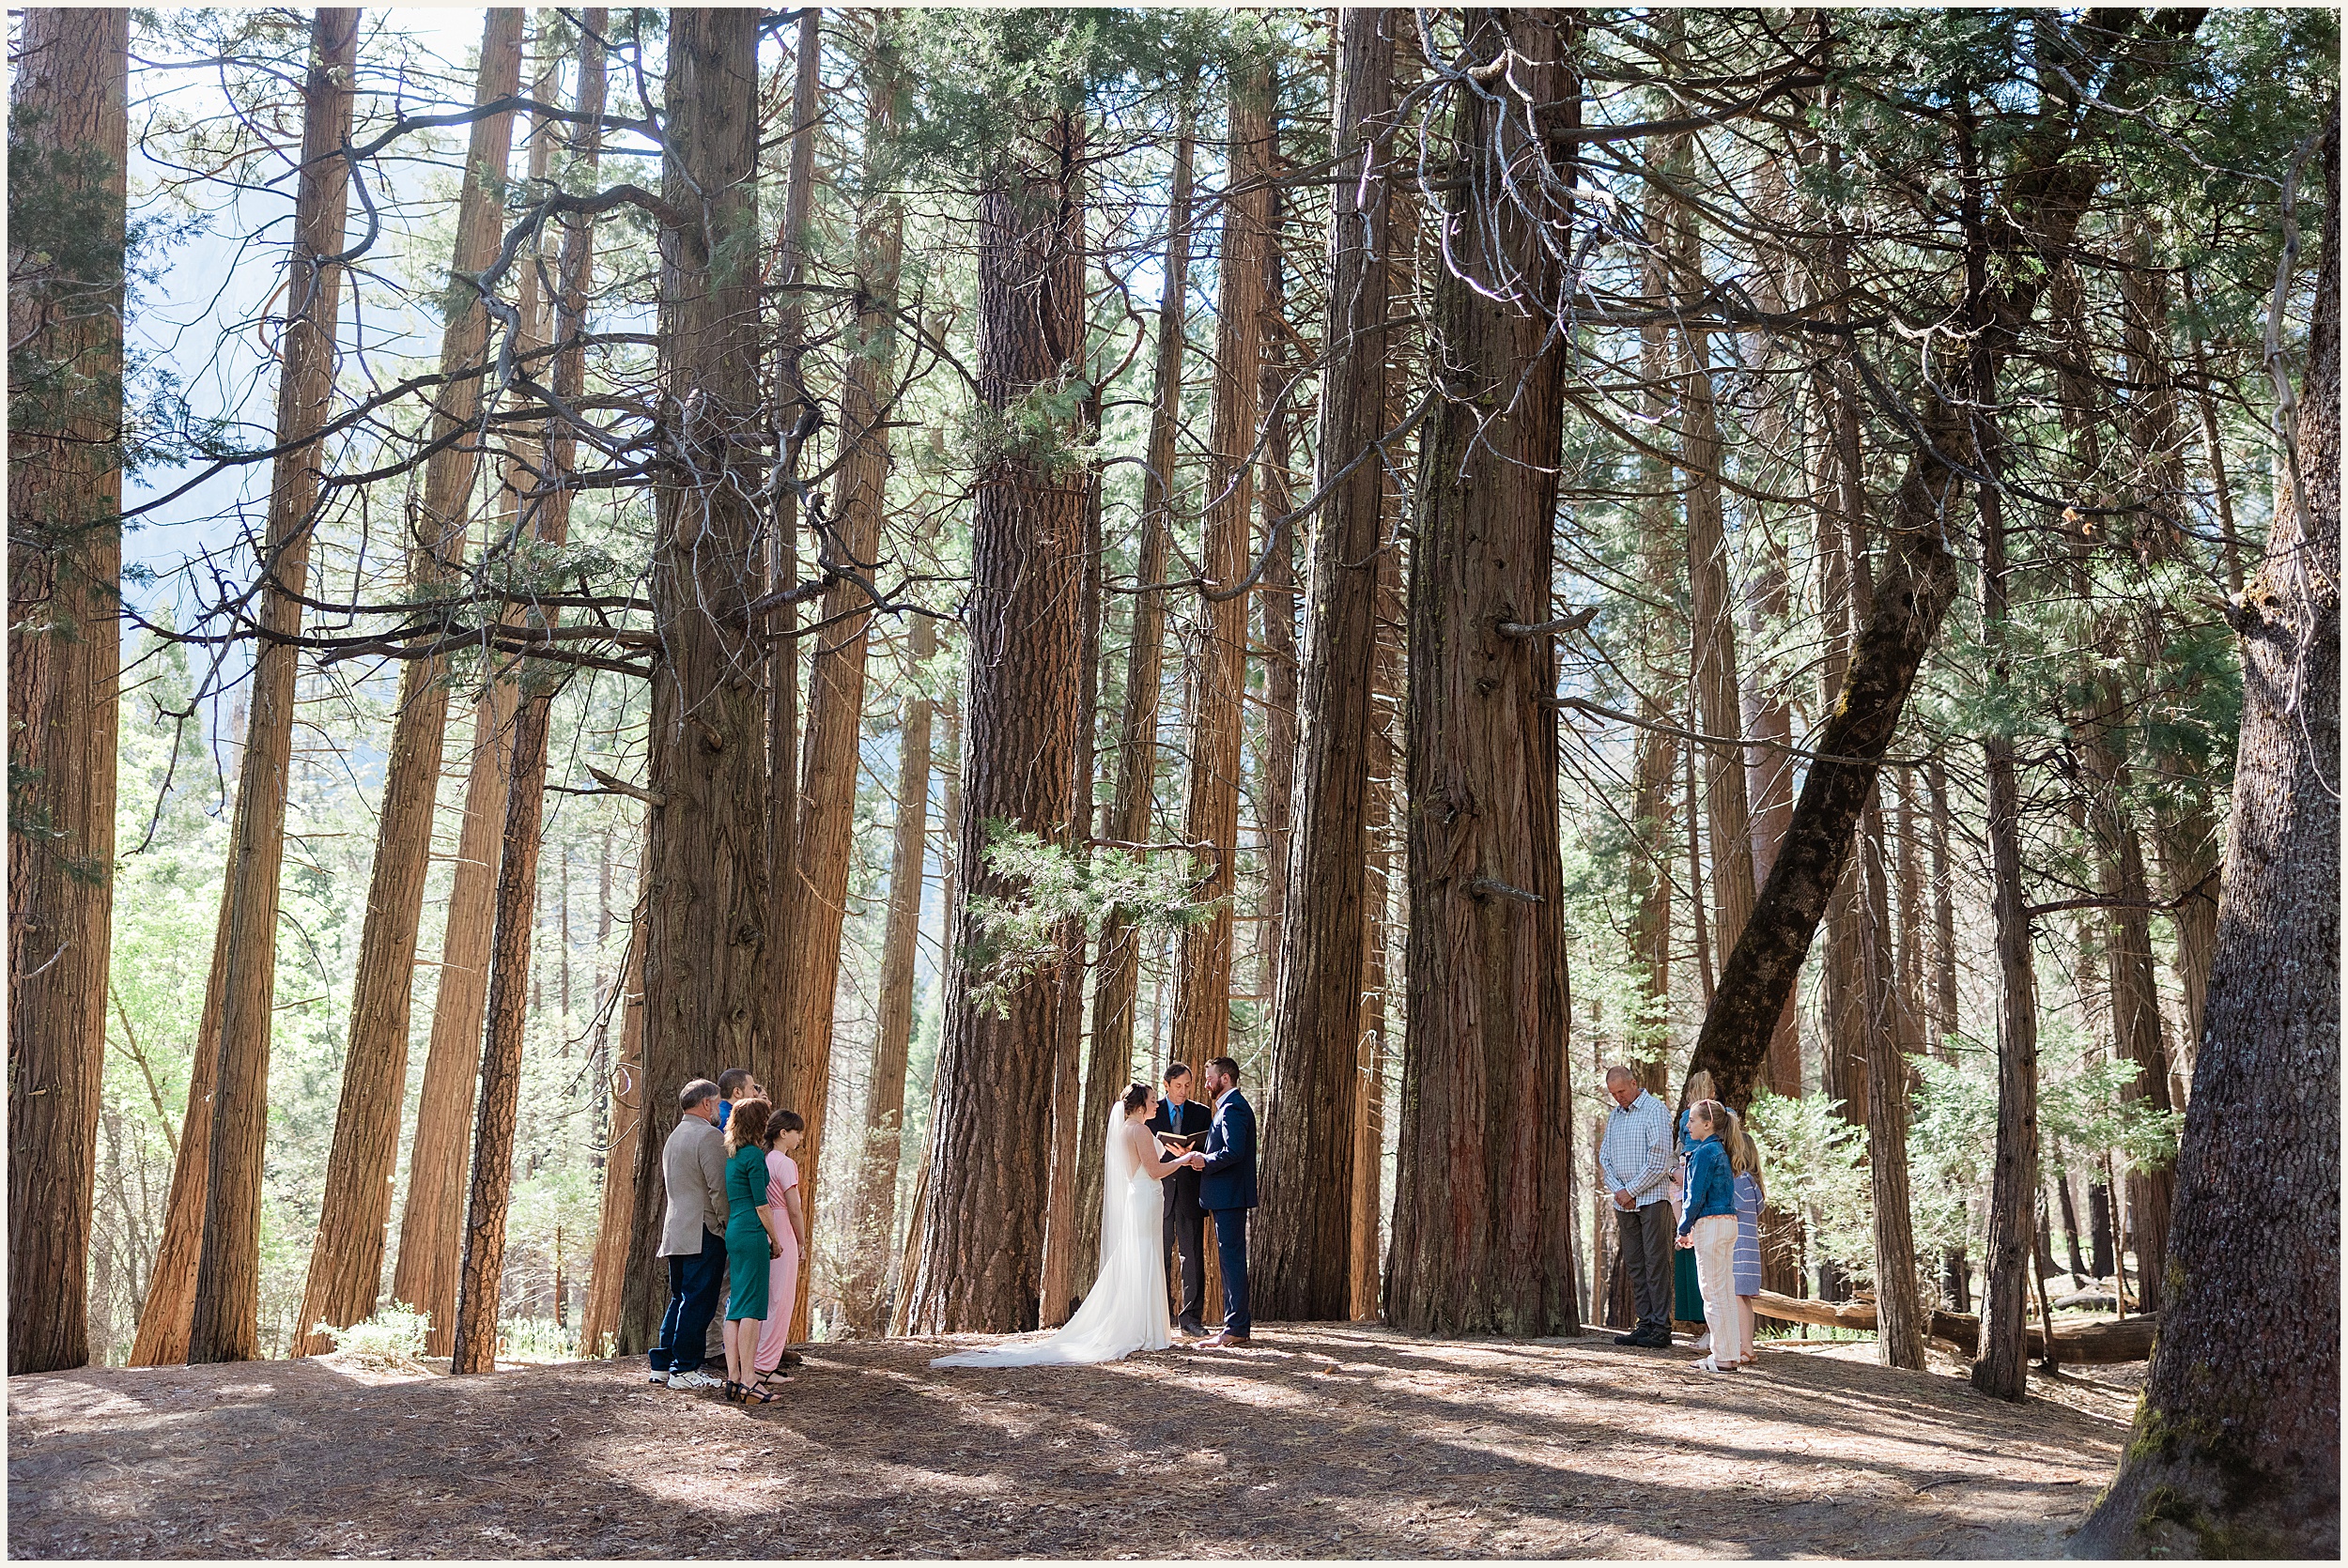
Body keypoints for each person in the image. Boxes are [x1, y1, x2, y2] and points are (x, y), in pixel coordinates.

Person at [932, 1082, 1191, 1367]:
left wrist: (1175, 1157)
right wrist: (1186, 1160)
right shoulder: (1140, 1130)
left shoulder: (1126, 1129)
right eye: (1153, 1101)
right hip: (1145, 1196)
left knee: (1140, 1257)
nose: (1157, 1105)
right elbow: (1154, 1171)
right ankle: (1145, 1330)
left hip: (1139, 1196)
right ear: (1141, 1104)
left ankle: (1144, 1327)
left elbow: (1146, 1164)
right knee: (1145, 1256)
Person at [650, 1079, 730, 1391]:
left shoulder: (674, 1136)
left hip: (677, 1230)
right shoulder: (708, 1136)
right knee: (699, 1301)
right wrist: (725, 1228)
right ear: (707, 1103)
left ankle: (662, 1365)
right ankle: (684, 1369)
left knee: (680, 1299)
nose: (720, 1111)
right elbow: (718, 1192)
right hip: (703, 1231)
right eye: (718, 1102)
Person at [1598, 1066, 1676, 1348]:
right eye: (1613, 1094)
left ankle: (1660, 1326)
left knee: (1656, 1262)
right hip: (1624, 1202)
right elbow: (1605, 1158)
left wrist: (1630, 1190)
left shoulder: (1655, 1110)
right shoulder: (1615, 1117)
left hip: (1652, 1198)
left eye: (1621, 1091)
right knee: (1635, 1263)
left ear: (1633, 1083)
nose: (1618, 1098)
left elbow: (1660, 1160)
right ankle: (1644, 1323)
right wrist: (1619, 1191)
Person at [719, 1097, 782, 1404]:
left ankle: (734, 1378)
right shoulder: (754, 1157)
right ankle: (749, 1380)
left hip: (735, 1229)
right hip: (752, 1231)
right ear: (759, 1124)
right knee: (752, 1310)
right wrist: (777, 1239)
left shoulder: (733, 1154)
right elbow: (762, 1204)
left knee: (737, 1307)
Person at [1192, 1055, 1257, 1347]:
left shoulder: (1233, 1108)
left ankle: (1236, 1328)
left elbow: (1233, 1152)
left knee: (1232, 1262)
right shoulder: (1227, 1108)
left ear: (1226, 1079)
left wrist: (1204, 1160)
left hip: (1230, 1196)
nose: (1207, 1084)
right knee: (1230, 1261)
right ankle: (1235, 1327)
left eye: (1210, 1078)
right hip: (1225, 1196)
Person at [1675, 1098, 1738, 1375]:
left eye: (1691, 1121)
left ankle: (1722, 1357)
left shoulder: (1703, 1153)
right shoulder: (1721, 1151)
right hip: (1728, 1223)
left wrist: (1683, 1228)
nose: (1687, 1126)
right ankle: (1728, 1355)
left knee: (1712, 1294)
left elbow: (1694, 1196)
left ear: (1707, 1124)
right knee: (1724, 1291)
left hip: (1711, 1225)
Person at [1147, 1064, 1211, 1337]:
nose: (1183, 1091)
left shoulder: (1202, 1113)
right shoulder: (1152, 1112)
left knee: (1192, 1257)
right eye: (1178, 1086)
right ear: (1166, 1084)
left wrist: (1193, 1157)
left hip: (1190, 1193)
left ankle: (1191, 1320)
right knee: (1158, 1257)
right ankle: (1159, 1318)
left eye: (1187, 1086)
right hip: (1159, 1193)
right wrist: (1173, 1155)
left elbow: (1210, 1149)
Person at [750, 1109, 809, 1389]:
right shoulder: (784, 1164)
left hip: (761, 1227)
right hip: (782, 1226)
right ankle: (764, 1365)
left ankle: (755, 1359)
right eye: (797, 1132)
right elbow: (794, 1208)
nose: (800, 1138)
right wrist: (801, 1240)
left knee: (764, 1296)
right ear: (783, 1133)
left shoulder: (762, 1160)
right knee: (781, 1300)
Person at [1674, 1068, 1718, 1349]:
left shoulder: (1721, 1116)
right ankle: (1682, 1232)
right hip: (1686, 1174)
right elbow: (1680, 1142)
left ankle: (1716, 1329)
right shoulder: (1685, 1119)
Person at [1726, 1108, 1767, 1368]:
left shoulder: (1741, 1182)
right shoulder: (1754, 1185)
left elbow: (1728, 1204)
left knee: (1739, 1298)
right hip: (1749, 1252)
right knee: (1743, 1300)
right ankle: (1744, 1345)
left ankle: (1746, 1347)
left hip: (1740, 1251)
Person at [715, 1067, 757, 1131]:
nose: (756, 1093)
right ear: (737, 1092)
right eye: (752, 1088)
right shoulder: (731, 1120)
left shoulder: (715, 1114)